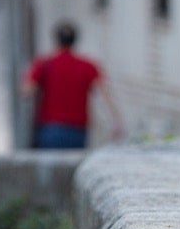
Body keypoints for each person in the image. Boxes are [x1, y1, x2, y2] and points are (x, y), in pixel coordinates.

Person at [22, 21, 126, 149]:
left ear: (56, 40)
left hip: (50, 128)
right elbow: (106, 95)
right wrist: (117, 122)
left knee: (49, 166)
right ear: (75, 40)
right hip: (78, 129)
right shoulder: (88, 65)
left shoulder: (44, 64)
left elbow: (26, 90)